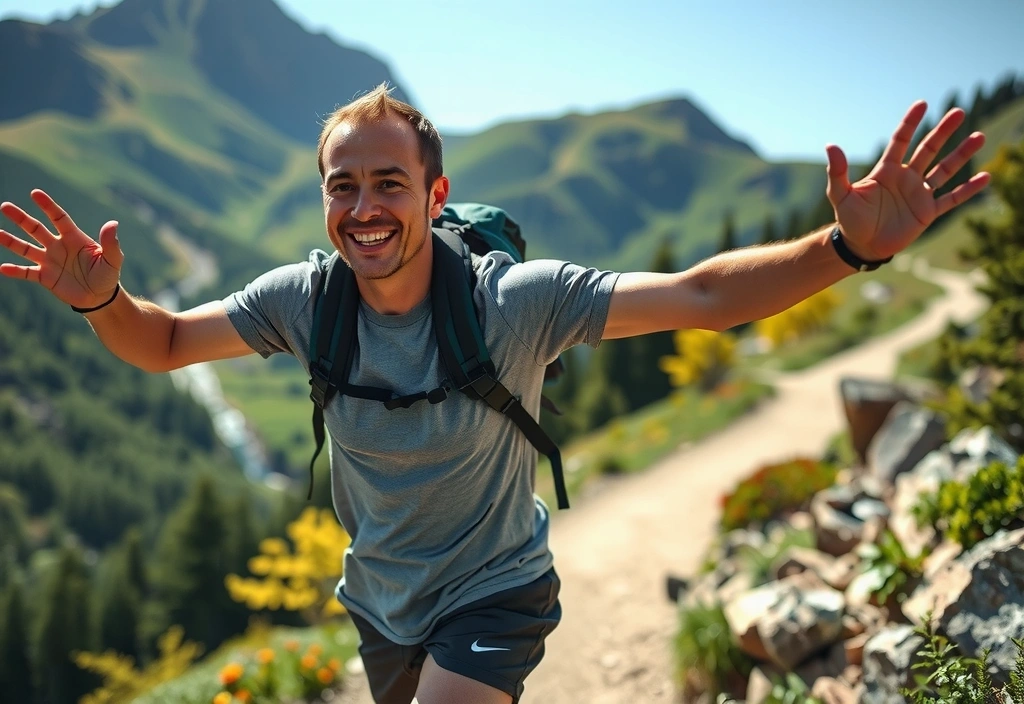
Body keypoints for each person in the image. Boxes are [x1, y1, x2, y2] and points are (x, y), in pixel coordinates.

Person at [0, 85, 989, 704]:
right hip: (381, 600)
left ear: (434, 197)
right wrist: (102, 300)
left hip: (495, 585)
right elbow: (164, 341)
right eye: (341, 187)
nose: (363, 207)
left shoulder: (515, 302)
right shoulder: (305, 300)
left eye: (388, 183)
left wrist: (847, 247)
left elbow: (699, 296)